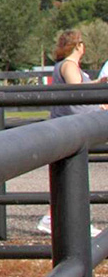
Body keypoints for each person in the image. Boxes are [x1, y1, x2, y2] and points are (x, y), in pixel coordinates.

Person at [40, 30, 107, 235]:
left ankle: (55, 218)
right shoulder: (69, 65)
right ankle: (61, 220)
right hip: (73, 127)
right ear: (78, 45)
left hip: (71, 125)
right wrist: (98, 95)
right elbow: (76, 90)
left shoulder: (65, 65)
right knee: (73, 175)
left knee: (68, 176)